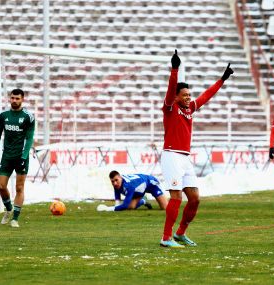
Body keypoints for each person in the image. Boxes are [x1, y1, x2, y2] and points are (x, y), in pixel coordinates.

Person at [159, 50, 233, 248]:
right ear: (175, 97)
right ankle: (166, 238)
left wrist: (222, 80)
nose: (188, 98)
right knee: (176, 197)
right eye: (184, 95)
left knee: (194, 198)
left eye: (189, 95)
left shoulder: (190, 108)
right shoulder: (170, 107)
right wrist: (175, 69)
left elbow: (206, 96)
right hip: (171, 155)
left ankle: (180, 233)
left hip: (184, 158)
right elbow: (170, 89)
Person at [0, 88, 35, 228]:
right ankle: (9, 209)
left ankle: (15, 218)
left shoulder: (28, 116)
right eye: (12, 98)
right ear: (10, 98)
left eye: (17, 98)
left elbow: (29, 138)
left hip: (21, 156)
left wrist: (24, 155)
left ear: (22, 99)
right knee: (1, 186)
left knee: (19, 187)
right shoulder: (3, 115)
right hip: (7, 156)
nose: (14, 101)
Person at [96, 171, 167, 211]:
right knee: (130, 207)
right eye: (112, 181)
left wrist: (108, 209)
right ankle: (143, 200)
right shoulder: (117, 183)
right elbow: (117, 194)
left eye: (116, 180)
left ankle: (143, 199)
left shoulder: (129, 186)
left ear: (120, 177)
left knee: (165, 208)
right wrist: (116, 206)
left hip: (150, 183)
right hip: (139, 190)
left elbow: (124, 205)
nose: (114, 183)